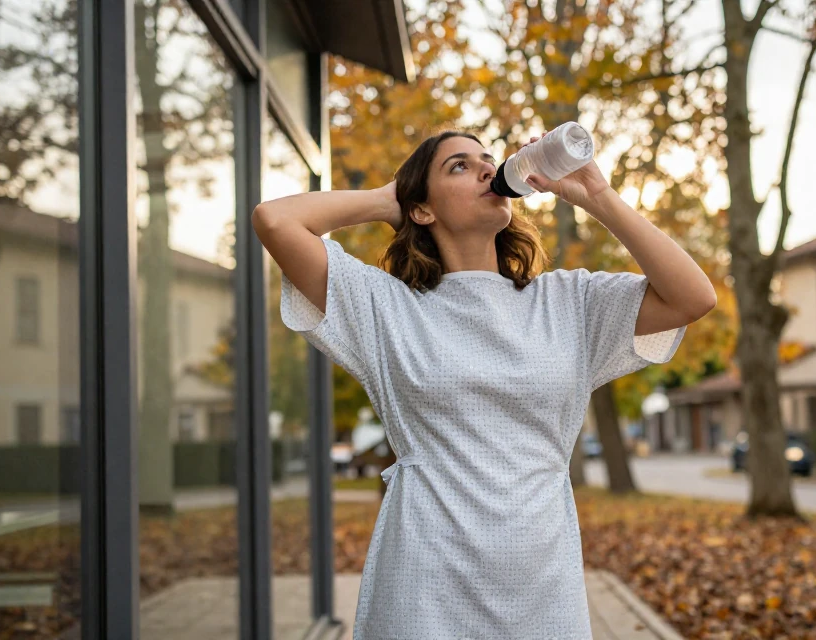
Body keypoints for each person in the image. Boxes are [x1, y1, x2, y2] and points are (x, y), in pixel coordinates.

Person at [252, 130, 716, 640]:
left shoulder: (568, 303)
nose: (483, 169)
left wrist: (597, 196)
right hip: (424, 584)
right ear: (423, 210)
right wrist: (390, 201)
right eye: (458, 166)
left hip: (544, 585)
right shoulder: (386, 308)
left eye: (487, 160)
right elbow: (276, 220)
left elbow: (692, 297)